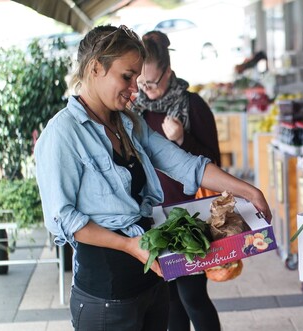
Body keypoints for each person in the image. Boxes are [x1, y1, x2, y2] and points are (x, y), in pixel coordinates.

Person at [34, 25, 271, 331]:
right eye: (127, 76)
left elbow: (187, 166)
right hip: (107, 294)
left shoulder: (128, 123)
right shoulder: (62, 134)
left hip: (151, 281)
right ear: (95, 68)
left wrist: (249, 191)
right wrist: (129, 245)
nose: (135, 89)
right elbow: (64, 220)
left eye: (137, 78)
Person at [131, 30, 221, 331]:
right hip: (152, 215)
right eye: (140, 82)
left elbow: (214, 161)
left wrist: (183, 139)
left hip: (189, 217)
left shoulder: (192, 105)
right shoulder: (135, 109)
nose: (146, 89)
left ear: (168, 72)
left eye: (152, 83)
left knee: (193, 294)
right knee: (167, 297)